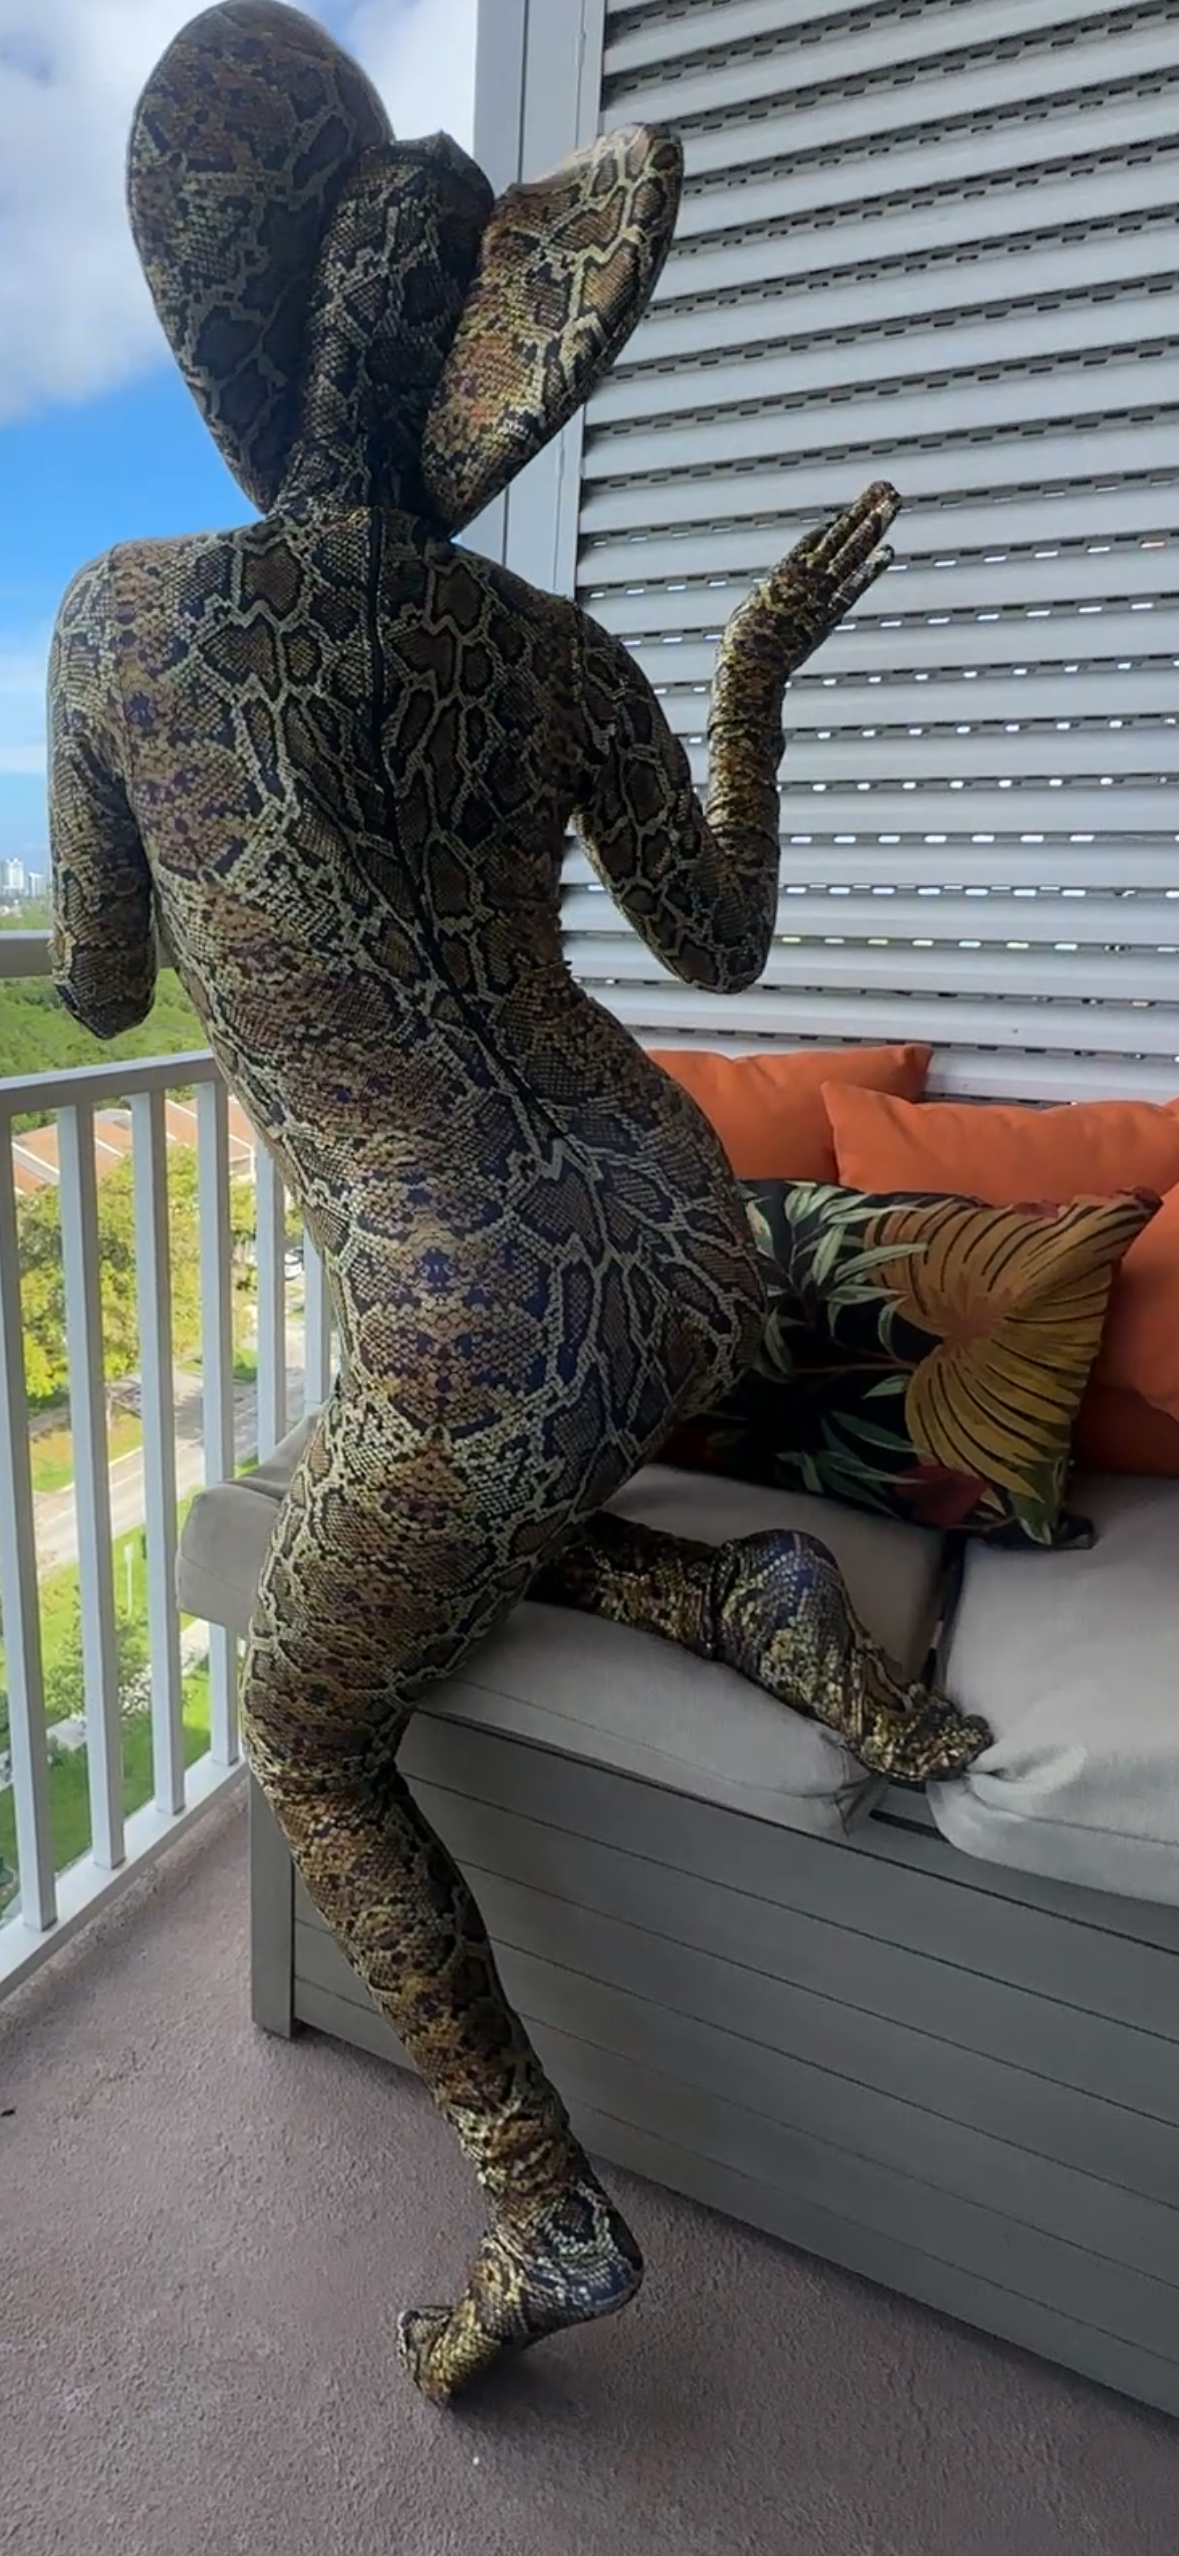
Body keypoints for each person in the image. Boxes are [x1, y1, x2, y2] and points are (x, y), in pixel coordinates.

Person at [47, 0, 986, 2405]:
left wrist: (165, 837)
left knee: (300, 1713)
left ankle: (539, 2199)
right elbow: (725, 950)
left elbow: (103, 979)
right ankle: (746, 1596)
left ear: (241, 347)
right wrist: (752, 677)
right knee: (461, 1504)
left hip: (466, 1309)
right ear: (484, 375)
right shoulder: (554, 648)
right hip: (687, 1248)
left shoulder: (127, 618)